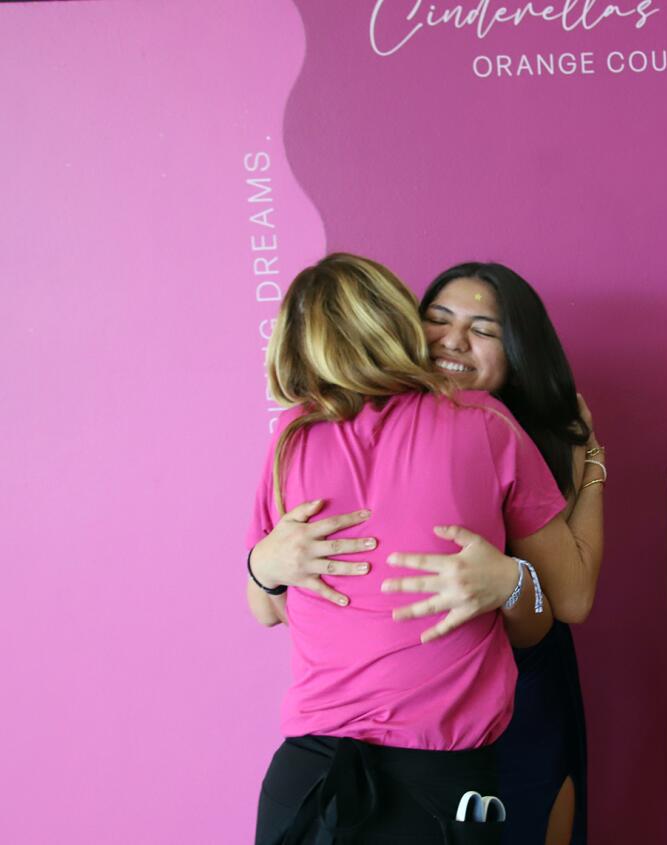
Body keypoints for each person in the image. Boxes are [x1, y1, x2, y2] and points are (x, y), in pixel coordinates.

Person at [244, 253, 598, 844]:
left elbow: (269, 608)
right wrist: (512, 580)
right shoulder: (483, 422)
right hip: (439, 779)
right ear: (401, 321)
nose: (455, 339)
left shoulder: (292, 437)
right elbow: (544, 618)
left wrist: (263, 568)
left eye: (483, 328)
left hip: (306, 777)